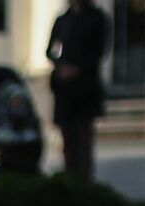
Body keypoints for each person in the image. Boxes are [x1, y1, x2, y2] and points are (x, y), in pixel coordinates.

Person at [48, 0, 109, 180]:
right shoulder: (62, 20)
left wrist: (78, 69)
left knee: (84, 140)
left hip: (85, 88)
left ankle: (85, 182)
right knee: (67, 140)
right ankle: (70, 180)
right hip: (65, 90)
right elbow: (50, 50)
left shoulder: (97, 19)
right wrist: (61, 67)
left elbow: (98, 51)